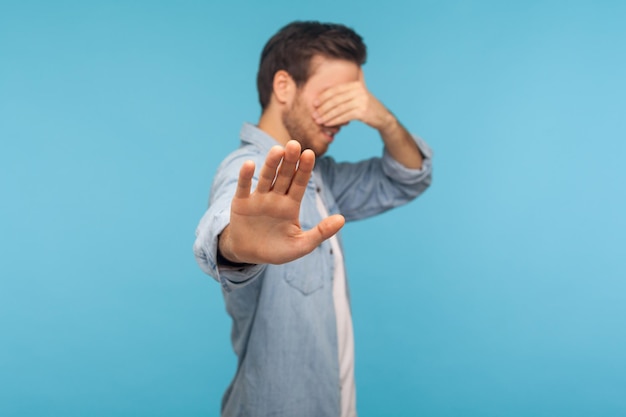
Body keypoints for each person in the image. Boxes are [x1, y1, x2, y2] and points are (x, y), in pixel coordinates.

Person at [193, 21, 433, 417]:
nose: (345, 116)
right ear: (284, 86)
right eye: (333, 96)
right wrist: (237, 243)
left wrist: (385, 120)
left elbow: (405, 178)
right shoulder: (248, 167)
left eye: (354, 99)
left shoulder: (322, 180)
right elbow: (220, 226)